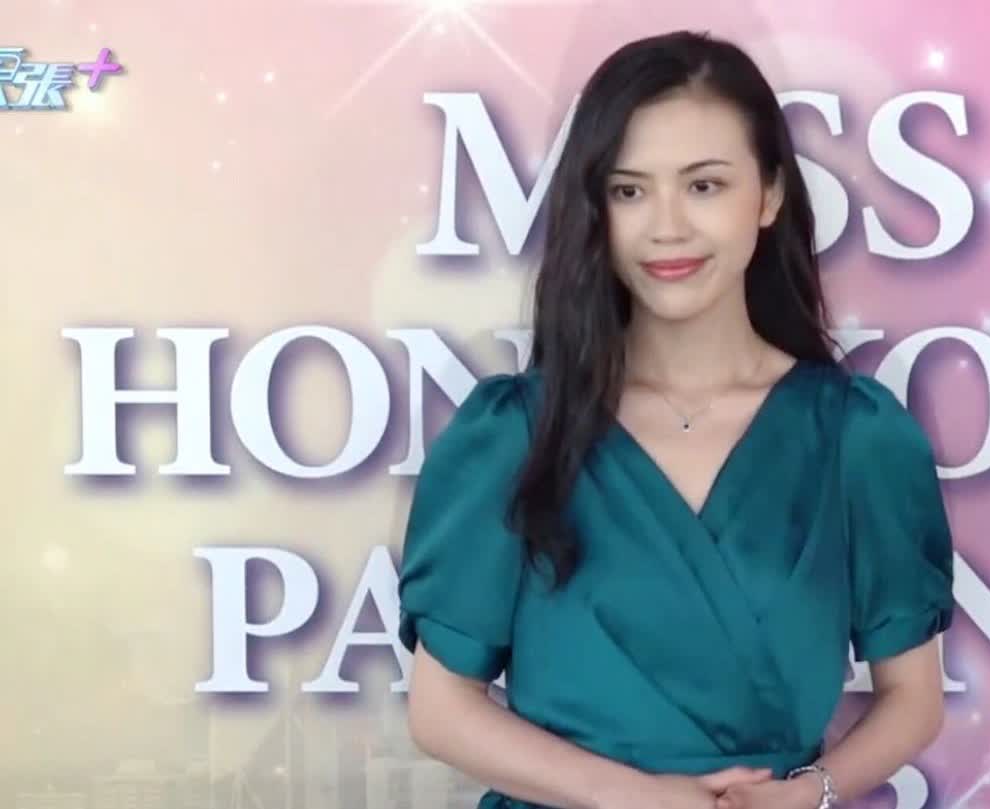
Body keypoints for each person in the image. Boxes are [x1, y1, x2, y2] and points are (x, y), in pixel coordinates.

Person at [397, 29, 956, 809]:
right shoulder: (514, 433)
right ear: (596, 209)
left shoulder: (857, 437)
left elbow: (914, 698)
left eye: (704, 185)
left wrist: (810, 792)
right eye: (629, 191)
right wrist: (633, 797)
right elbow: (441, 708)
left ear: (769, 194)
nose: (666, 227)